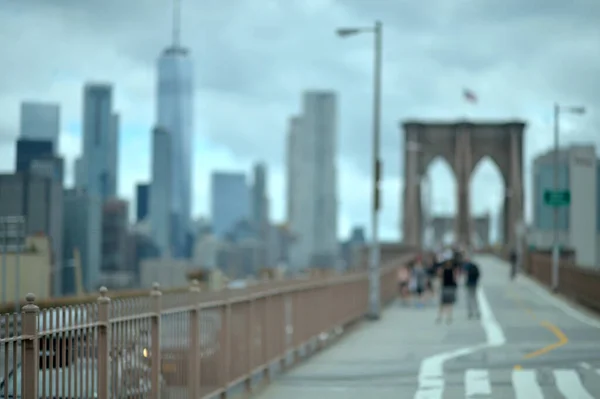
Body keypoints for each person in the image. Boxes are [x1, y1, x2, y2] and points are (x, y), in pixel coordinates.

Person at [436, 258, 458, 324]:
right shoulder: (453, 271)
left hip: (445, 288)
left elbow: (440, 278)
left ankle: (440, 317)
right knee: (449, 304)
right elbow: (454, 279)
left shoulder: (443, 270)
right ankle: (449, 317)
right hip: (451, 288)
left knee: (442, 304)